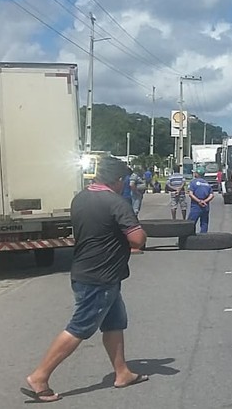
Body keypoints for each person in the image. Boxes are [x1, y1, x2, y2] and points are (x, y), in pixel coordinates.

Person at [20, 157, 148, 403]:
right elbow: (137, 239)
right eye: (124, 180)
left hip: (88, 271)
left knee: (114, 323)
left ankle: (122, 373)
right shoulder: (116, 202)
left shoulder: (81, 198)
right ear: (118, 180)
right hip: (100, 276)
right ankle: (40, 376)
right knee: (80, 327)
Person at [188, 167, 214, 234]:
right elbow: (211, 195)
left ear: (196, 174)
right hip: (205, 206)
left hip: (196, 206)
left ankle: (188, 238)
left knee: (190, 223)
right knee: (204, 223)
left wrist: (199, 201)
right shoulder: (207, 183)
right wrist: (205, 201)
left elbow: (190, 194)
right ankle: (203, 239)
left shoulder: (193, 182)